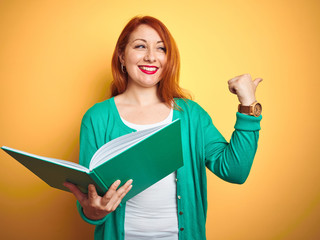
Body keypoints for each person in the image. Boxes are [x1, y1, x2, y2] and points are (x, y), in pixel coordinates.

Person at [64, 15, 262, 240]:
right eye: (140, 46)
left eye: (161, 49)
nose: (150, 57)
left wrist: (248, 105)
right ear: (122, 55)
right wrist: (95, 210)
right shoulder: (97, 118)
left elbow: (235, 171)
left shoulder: (191, 115)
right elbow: (90, 203)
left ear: (168, 59)